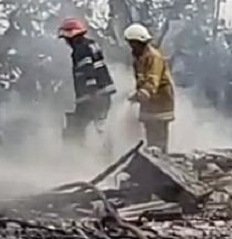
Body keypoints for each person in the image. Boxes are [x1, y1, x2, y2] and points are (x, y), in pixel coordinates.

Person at [58, 17, 116, 146]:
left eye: (66, 38)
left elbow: (88, 70)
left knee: (76, 127)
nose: (66, 42)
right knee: (101, 125)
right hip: (104, 93)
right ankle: (107, 151)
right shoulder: (92, 44)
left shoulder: (80, 50)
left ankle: (76, 152)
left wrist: (91, 93)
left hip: (91, 96)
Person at [123, 23, 175, 152]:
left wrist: (141, 94)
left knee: (159, 135)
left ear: (139, 42)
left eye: (132, 43)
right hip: (149, 103)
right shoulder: (139, 58)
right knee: (150, 134)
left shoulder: (154, 57)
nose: (131, 47)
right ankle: (153, 156)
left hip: (161, 101)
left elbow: (152, 81)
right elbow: (140, 80)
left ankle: (161, 158)